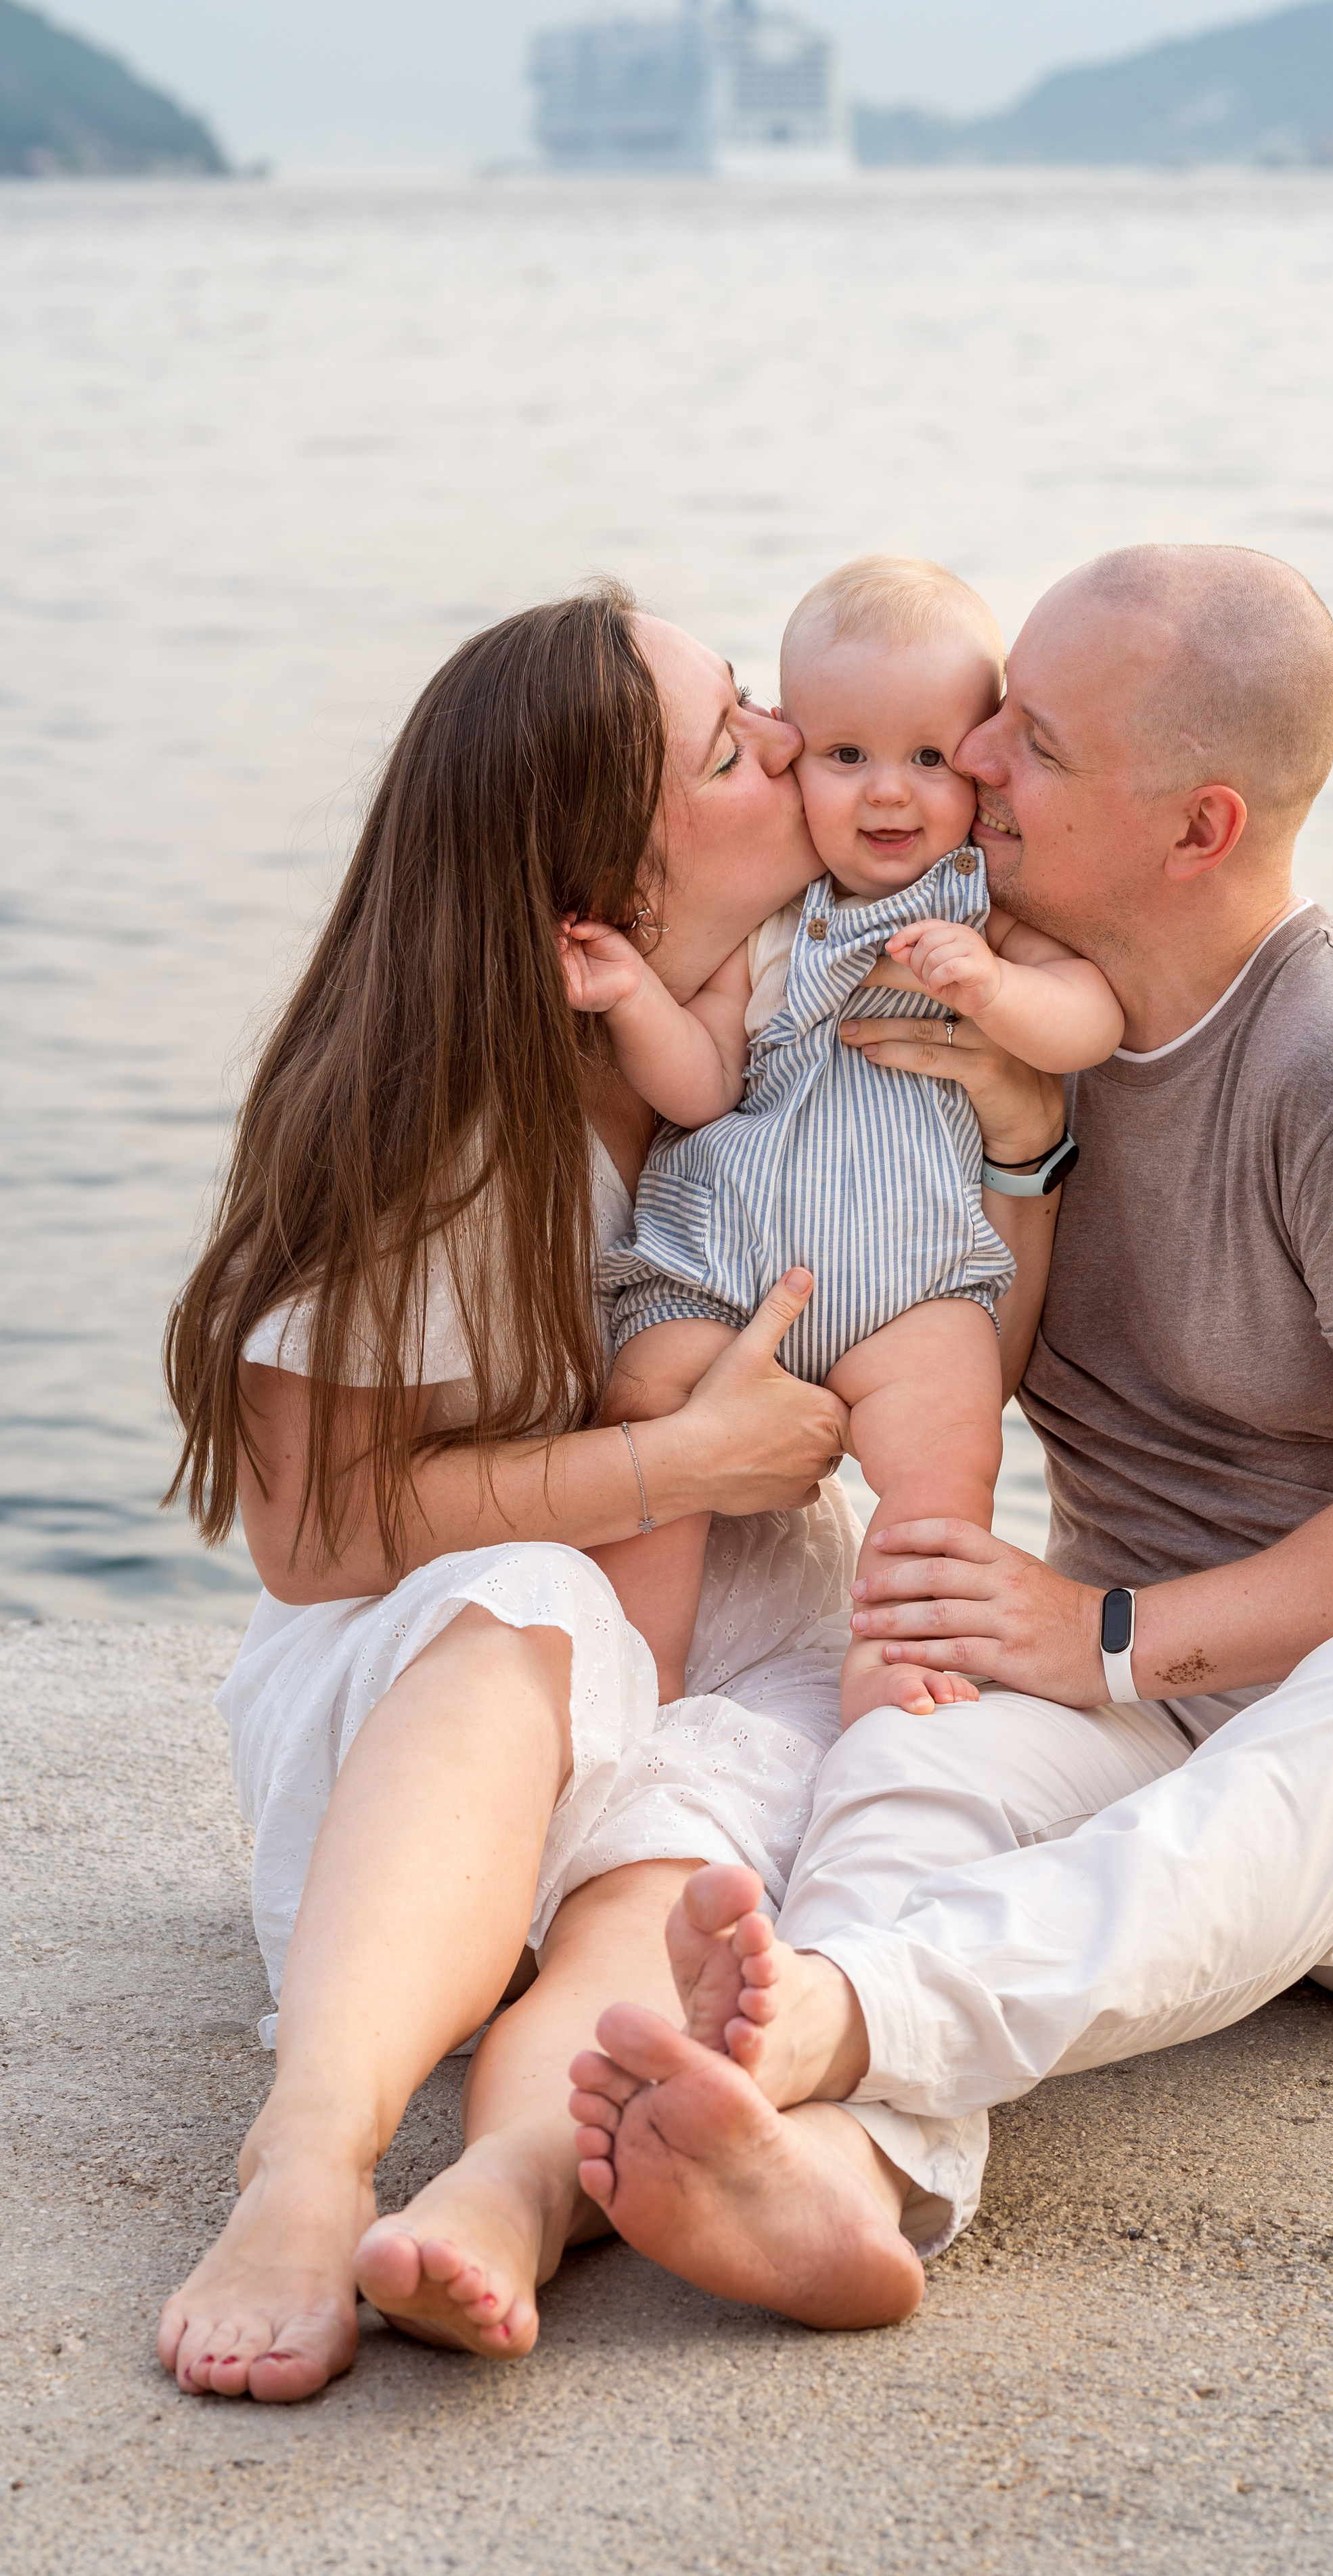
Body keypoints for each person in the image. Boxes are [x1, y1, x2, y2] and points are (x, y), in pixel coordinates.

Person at [566, 544, 1333, 2331]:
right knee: (918, 1757)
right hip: (1184, 1700)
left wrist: (1103, 1632)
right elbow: (970, 1363)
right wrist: (1014, 1148)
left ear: (1198, 825)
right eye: (997, 708)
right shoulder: (1012, 1008)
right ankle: (850, 2180)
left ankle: (836, 2019)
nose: (980, 755)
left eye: (1040, 740)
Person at [154, 581, 1065, 2396]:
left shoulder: (790, 1033)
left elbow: (959, 1330)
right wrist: (673, 1458)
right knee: (548, 1599)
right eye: (735, 741)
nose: (793, 749)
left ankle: (510, 2186)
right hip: (427, 1706)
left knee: (741, 1813)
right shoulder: (447, 1118)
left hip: (696, 1642)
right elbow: (312, 1533)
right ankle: (313, 2155)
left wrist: (1025, 1144)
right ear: (612, 895)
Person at [572, 556, 1121, 1725]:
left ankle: (899, 1649)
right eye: (847, 755)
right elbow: (706, 1082)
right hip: (726, 1264)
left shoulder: (985, 907)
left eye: (930, 758)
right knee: (649, 1385)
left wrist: (992, 991)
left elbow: (1088, 1019)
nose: (890, 794)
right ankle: (639, 1659)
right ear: (794, 751)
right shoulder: (769, 918)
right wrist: (633, 1001)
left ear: (978, 761)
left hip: (905, 1277)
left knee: (947, 1443)